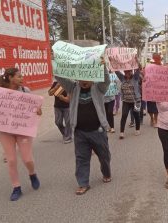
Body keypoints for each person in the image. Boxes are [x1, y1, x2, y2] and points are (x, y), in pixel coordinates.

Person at [56, 59, 112, 195]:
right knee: (81, 158)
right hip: (80, 132)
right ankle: (83, 183)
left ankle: (106, 172)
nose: (84, 80)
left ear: (92, 76)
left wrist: (103, 66)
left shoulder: (98, 88)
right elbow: (60, 77)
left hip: (98, 131)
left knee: (104, 156)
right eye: (81, 77)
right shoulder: (73, 88)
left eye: (87, 77)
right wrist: (56, 62)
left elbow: (106, 81)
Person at [0, 68, 42, 201]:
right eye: (19, 76)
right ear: (10, 78)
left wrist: (38, 111)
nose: (22, 78)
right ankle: (16, 187)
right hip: (5, 131)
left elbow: (35, 110)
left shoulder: (25, 91)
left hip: (23, 130)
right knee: (11, 160)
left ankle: (32, 174)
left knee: (27, 159)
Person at [116, 69, 141, 139]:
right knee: (124, 115)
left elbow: (138, 70)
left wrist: (137, 62)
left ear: (131, 71)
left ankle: (137, 129)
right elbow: (116, 71)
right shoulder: (122, 78)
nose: (127, 73)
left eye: (128, 71)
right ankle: (121, 132)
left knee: (136, 115)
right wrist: (112, 62)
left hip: (135, 101)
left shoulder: (135, 78)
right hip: (126, 101)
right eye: (125, 71)